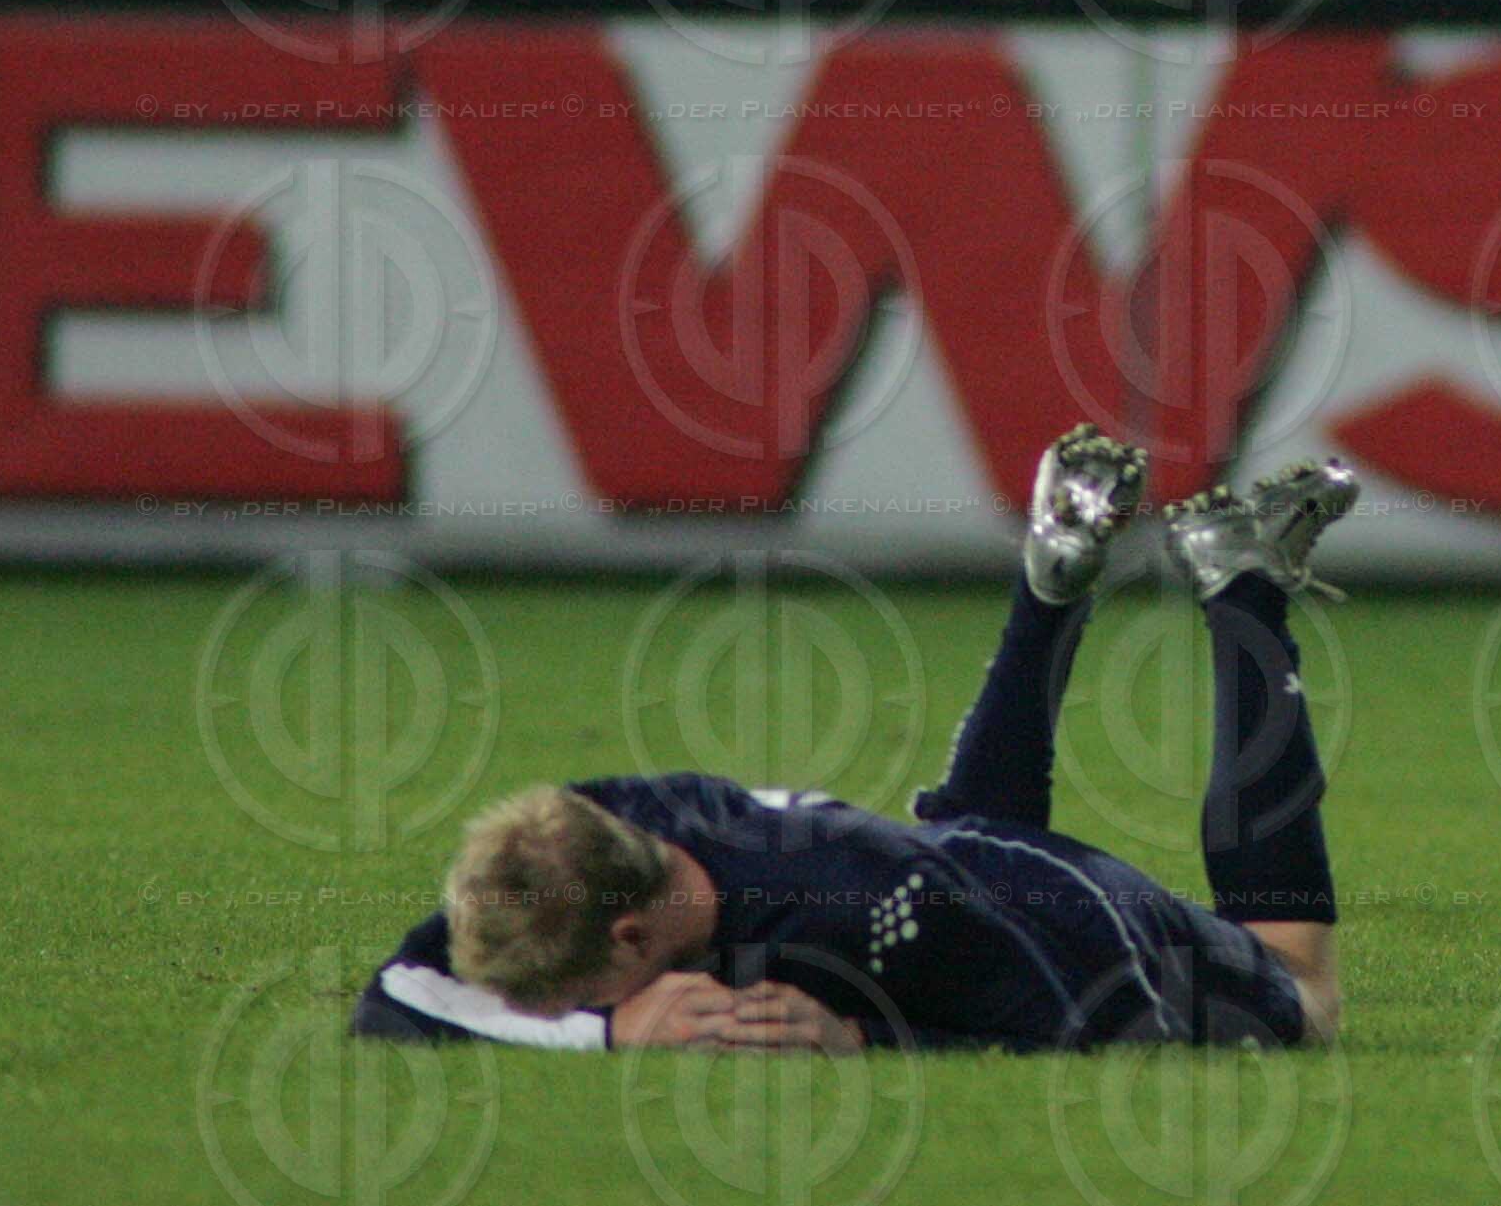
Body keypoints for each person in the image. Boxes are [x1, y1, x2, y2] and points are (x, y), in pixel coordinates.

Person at [352, 426, 1353, 1051]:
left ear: (630, 940)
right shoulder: (588, 837)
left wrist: (865, 1035)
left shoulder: (857, 912)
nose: (549, 1009)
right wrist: (604, 1030)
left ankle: (1244, 583)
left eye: (568, 997)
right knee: (963, 837)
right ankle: (1049, 586)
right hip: (939, 864)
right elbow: (394, 1000)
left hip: (1068, 916)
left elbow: (1079, 1027)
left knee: (1301, 989)